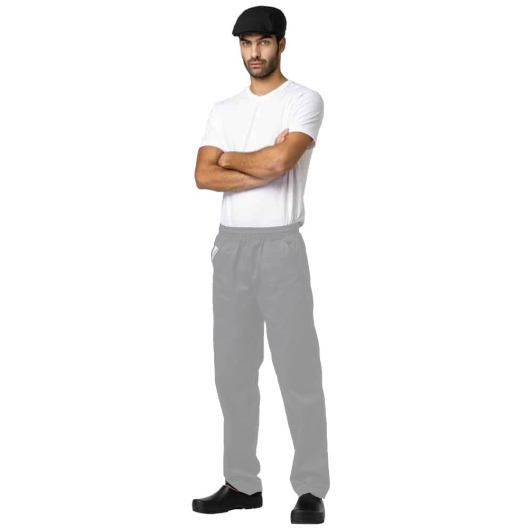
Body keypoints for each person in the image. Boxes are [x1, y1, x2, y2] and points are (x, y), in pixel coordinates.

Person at [192, 6, 330, 524]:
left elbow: (280, 162)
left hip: (280, 248)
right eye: (246, 43)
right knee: (231, 372)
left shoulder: (304, 100)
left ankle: (311, 487)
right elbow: (203, 176)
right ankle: (242, 484)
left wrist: (230, 158)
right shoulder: (222, 109)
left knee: (297, 371)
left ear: (282, 44)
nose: (254, 52)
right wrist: (254, 164)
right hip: (230, 249)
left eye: (264, 42)